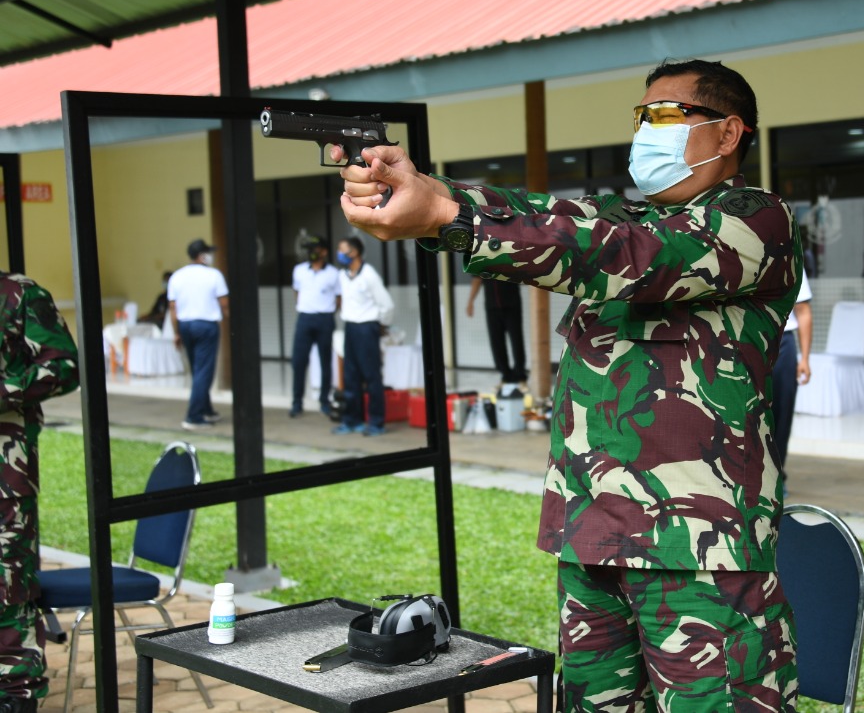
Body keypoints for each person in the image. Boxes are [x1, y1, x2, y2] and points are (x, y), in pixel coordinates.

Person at [337, 59, 802, 712]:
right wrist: (431, 194)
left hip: (699, 555)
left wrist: (448, 213)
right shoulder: (623, 219)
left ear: (729, 135)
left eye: (667, 115)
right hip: (591, 536)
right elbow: (551, 216)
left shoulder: (755, 221)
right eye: (643, 117)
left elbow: (630, 254)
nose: (647, 131)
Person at [0, 272, 78, 712]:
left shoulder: (18, 294)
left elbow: (63, 366)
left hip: (4, 476)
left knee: (8, 584)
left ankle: (16, 694)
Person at [335, 236, 394, 437]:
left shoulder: (369, 275)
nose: (340, 254)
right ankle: (352, 420)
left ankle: (376, 422)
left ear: (355, 252)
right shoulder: (343, 275)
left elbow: (386, 305)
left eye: (343, 250)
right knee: (350, 376)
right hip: (350, 327)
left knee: (371, 376)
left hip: (367, 327)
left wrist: (381, 325)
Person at [168, 239, 228, 430]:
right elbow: (224, 303)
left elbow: (172, 308)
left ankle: (206, 408)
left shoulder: (177, 276)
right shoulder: (214, 275)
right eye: (208, 252)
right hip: (206, 326)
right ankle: (193, 416)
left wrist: (176, 332)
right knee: (204, 371)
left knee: (197, 370)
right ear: (202, 255)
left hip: (185, 326)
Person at [289, 237, 341, 419]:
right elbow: (297, 293)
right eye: (309, 248)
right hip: (304, 318)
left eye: (315, 248)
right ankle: (297, 402)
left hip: (325, 319)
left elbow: (338, 299)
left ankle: (324, 401)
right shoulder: (299, 270)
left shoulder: (334, 273)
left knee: (325, 361)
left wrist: (326, 312)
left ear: (324, 251)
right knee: (298, 361)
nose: (311, 252)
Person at [770, 268, 811, 480]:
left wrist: (804, 358)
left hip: (783, 341)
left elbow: (803, 310)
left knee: (782, 411)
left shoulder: (791, 257)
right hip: (749, 339)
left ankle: (777, 475)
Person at [465, 276, 527, 386]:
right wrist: (470, 301)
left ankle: (520, 375)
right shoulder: (482, 260)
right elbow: (477, 279)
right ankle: (505, 375)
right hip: (492, 306)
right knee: (496, 342)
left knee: (516, 339)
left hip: (512, 304)